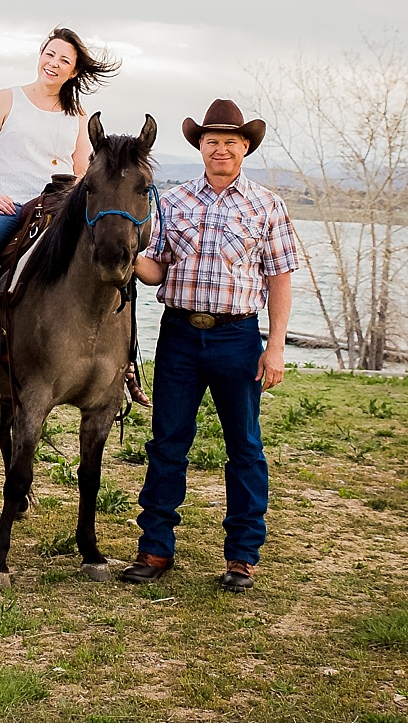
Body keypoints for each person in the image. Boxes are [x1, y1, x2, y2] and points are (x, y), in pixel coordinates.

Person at [121, 99, 298, 593]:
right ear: (200, 146)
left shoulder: (267, 205)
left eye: (230, 141)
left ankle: (242, 556)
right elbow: (155, 269)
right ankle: (155, 548)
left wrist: (275, 346)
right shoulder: (173, 201)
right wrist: (126, 252)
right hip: (179, 336)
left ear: (245, 147)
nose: (221, 149)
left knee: (245, 448)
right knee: (167, 443)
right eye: (212, 140)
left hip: (238, 338)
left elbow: (280, 279)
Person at [0, 27, 119, 393]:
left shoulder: (77, 114)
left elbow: (81, 168)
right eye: (50, 54)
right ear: (40, 55)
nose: (54, 64)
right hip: (12, 204)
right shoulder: (8, 98)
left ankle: (124, 364)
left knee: (110, 255)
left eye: (64, 60)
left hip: (60, 207)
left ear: (74, 71)